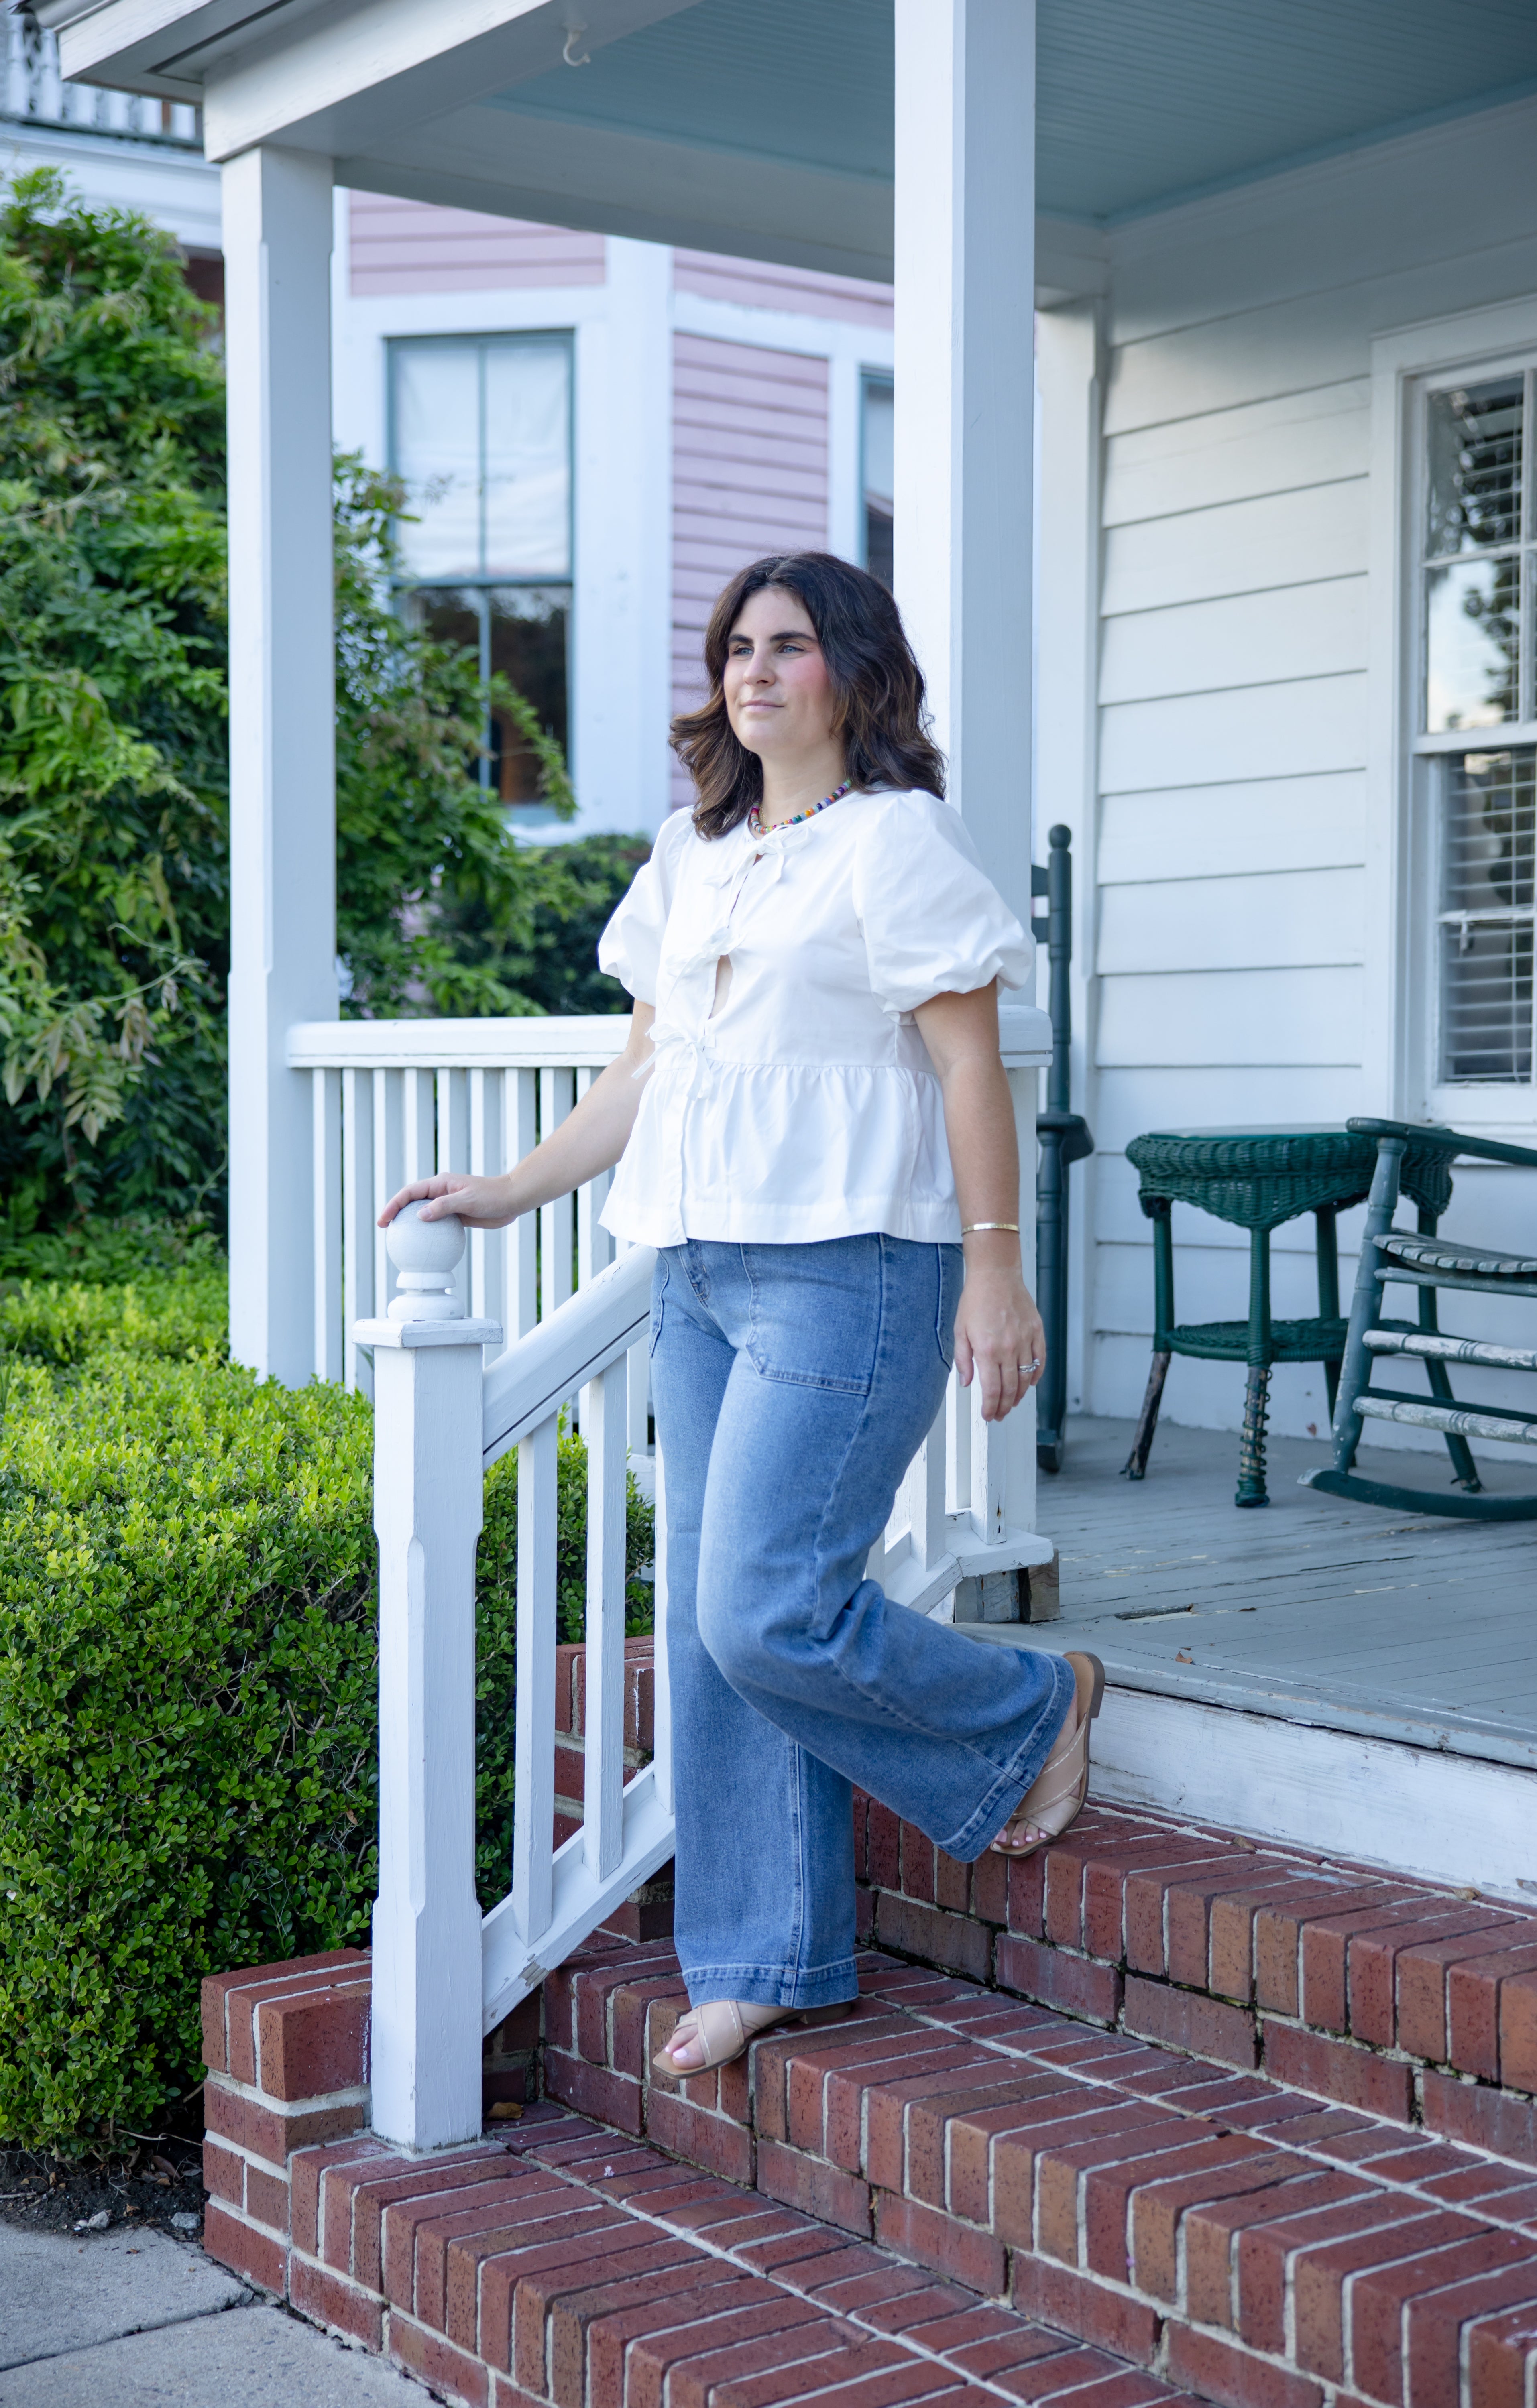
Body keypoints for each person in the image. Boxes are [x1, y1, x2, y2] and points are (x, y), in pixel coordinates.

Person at [380, 551, 1102, 2081]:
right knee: (711, 1636)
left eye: (789, 647)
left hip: (856, 1265)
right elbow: (644, 1073)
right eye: (735, 649)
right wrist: (508, 1191)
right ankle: (764, 1956)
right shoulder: (694, 852)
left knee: (762, 1604)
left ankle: (1030, 1706)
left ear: (854, 672)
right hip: (698, 1268)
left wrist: (995, 1265)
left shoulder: (897, 845)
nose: (754, 672)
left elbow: (972, 1070)